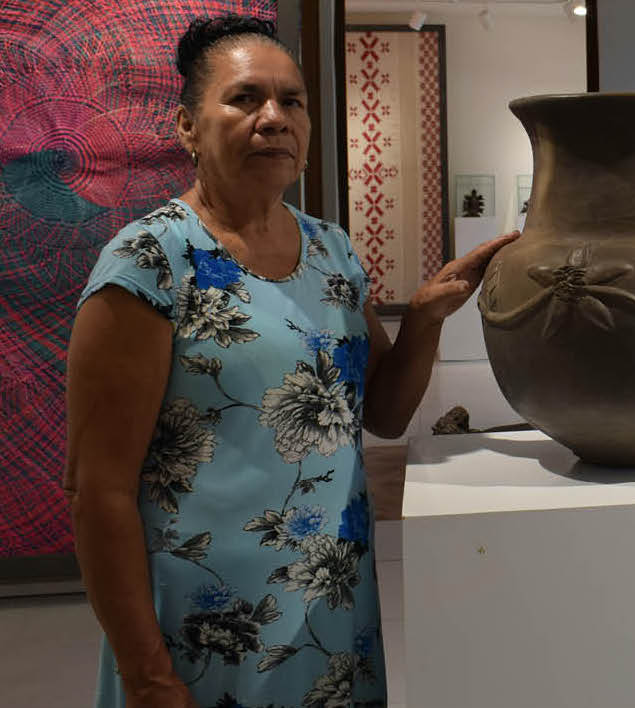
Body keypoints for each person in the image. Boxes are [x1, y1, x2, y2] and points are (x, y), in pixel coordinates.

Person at [65, 14, 516, 707]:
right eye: (245, 99)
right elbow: (98, 491)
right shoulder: (150, 263)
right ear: (188, 126)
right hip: (204, 631)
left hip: (332, 615)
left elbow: (387, 416)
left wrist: (425, 319)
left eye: (292, 101)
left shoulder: (330, 249)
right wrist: (148, 675)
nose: (274, 118)